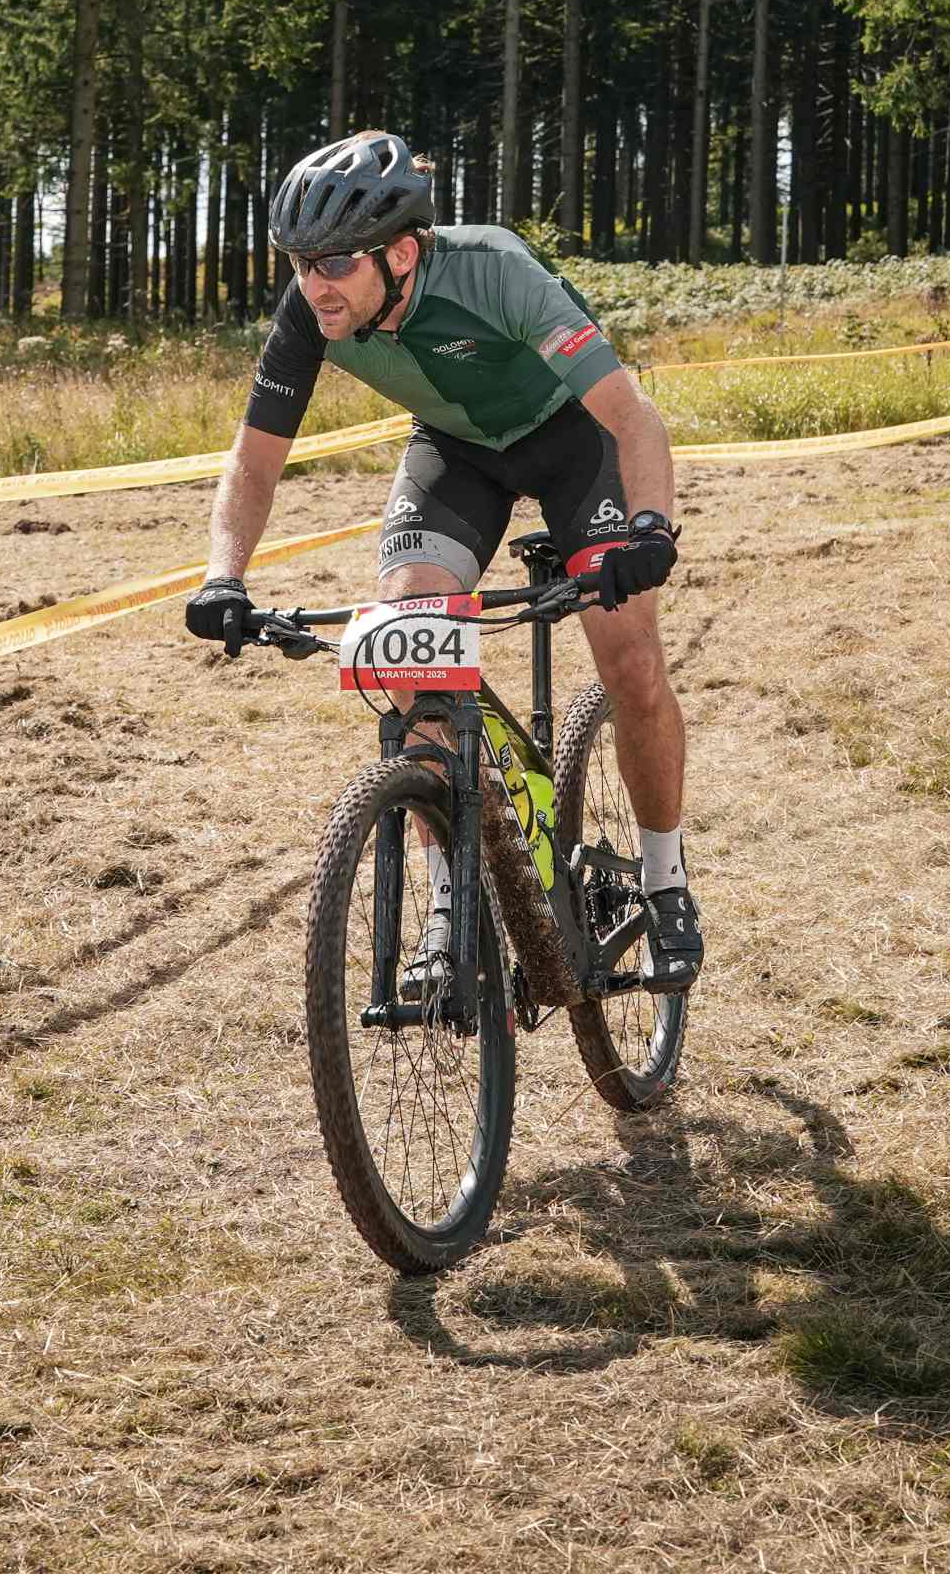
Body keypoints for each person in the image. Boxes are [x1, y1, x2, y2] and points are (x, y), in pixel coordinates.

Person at [184, 129, 702, 994]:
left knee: (630, 659)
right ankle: (449, 905)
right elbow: (255, 460)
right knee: (411, 638)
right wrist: (222, 574)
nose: (314, 284)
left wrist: (651, 531)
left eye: (335, 262)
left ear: (401, 253)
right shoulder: (309, 314)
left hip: (576, 445)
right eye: (299, 262)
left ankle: (664, 879)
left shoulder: (493, 271)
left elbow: (631, 416)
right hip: (458, 453)